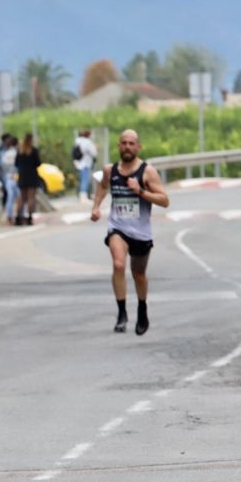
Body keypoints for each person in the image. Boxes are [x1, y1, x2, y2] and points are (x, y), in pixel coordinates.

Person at [91, 129, 170, 335]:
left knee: (139, 274)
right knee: (118, 264)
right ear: (118, 146)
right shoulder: (110, 170)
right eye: (124, 143)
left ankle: (142, 309)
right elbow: (102, 186)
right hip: (118, 227)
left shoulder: (147, 172)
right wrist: (96, 207)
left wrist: (140, 191)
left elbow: (164, 200)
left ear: (138, 147)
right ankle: (121, 313)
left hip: (141, 232)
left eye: (131, 143)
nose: (127, 147)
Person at [14, 133, 41, 226]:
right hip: (32, 175)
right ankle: (29, 217)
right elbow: (38, 163)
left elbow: (16, 163)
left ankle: (18, 217)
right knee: (31, 198)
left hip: (22, 175)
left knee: (22, 198)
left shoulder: (20, 151)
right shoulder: (33, 151)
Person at [0, 134, 18, 223]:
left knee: (17, 196)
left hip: (13, 176)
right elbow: (1, 166)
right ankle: (10, 216)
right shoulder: (2, 151)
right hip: (8, 177)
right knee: (10, 196)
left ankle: (19, 215)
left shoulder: (13, 150)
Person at [73, 128, 99, 200]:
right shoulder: (87, 142)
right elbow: (94, 153)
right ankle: (83, 196)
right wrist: (96, 148)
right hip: (85, 164)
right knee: (85, 180)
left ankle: (82, 194)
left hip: (78, 163)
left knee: (81, 180)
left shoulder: (78, 141)